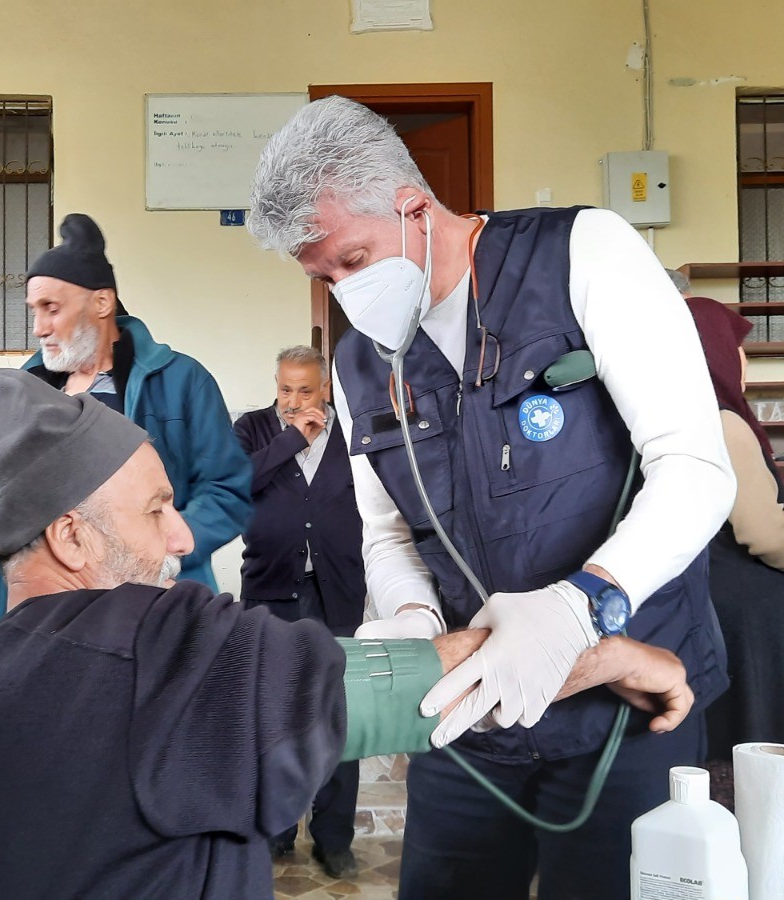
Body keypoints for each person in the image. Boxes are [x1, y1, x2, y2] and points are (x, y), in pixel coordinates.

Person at [0, 370, 695, 899]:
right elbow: (416, 686)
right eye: (154, 512)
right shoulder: (158, 642)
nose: (183, 539)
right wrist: (611, 651)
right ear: (72, 539)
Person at [248, 96, 734, 899]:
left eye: (354, 260)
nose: (343, 292)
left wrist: (583, 605)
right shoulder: (361, 363)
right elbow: (387, 533)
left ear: (413, 208)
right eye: (321, 275)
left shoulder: (584, 254)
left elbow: (695, 466)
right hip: (473, 723)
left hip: (624, 704)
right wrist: (410, 619)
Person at [0, 213, 251, 629]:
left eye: (51, 308)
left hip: (155, 609)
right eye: (33, 310)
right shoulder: (26, 392)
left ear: (102, 302)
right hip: (44, 622)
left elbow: (228, 489)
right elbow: (9, 520)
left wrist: (170, 541)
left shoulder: (180, 380)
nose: (38, 328)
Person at [683, 298, 784, 797]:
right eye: (737, 347)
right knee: (771, 755)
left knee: (720, 758)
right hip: (756, 622)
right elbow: (762, 529)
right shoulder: (722, 421)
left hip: (705, 610)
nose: (744, 358)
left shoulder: (666, 417)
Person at [232, 345, 365, 877]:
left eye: (305, 390)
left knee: (338, 717)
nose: (292, 399)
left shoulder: (354, 430)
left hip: (338, 595)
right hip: (269, 594)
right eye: (285, 388)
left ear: (325, 390)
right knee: (273, 717)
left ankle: (334, 839)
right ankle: (276, 831)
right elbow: (236, 483)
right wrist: (293, 438)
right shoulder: (254, 428)